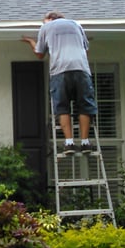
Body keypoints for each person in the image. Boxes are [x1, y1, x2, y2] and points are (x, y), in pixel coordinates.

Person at [21, 10, 98, 154]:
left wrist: (31, 41)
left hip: (60, 71)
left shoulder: (46, 27)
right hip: (81, 69)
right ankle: (85, 142)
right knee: (85, 105)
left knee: (62, 106)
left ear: (49, 19)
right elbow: (85, 49)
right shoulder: (76, 25)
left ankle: (69, 143)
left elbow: (39, 54)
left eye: (43, 20)